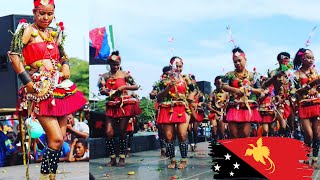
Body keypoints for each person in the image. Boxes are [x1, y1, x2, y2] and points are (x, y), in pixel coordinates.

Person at [7, 0, 87, 178]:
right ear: (34, 12)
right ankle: (44, 176)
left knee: (59, 140)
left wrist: (65, 65)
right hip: (39, 89)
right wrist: (26, 80)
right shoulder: (27, 30)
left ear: (54, 13)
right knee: (56, 138)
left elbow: (63, 55)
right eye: (41, 13)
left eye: (49, 14)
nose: (45, 17)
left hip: (58, 88)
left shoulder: (53, 33)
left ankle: (51, 176)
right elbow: (13, 54)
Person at [98, 50, 141, 167]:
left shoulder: (125, 74)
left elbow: (136, 86)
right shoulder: (104, 76)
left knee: (122, 131)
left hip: (124, 104)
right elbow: (101, 90)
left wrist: (124, 87)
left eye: (117, 64)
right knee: (108, 132)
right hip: (112, 104)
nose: (115, 66)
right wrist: (104, 91)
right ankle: (112, 158)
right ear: (109, 64)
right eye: (113, 64)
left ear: (120, 63)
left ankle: (122, 157)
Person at [156, 56, 193, 169]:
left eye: (180, 66)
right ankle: (172, 160)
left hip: (182, 108)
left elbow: (194, 90)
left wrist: (190, 97)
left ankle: (183, 159)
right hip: (167, 108)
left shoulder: (186, 78)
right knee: (169, 136)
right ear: (171, 66)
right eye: (175, 66)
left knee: (182, 134)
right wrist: (168, 88)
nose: (178, 68)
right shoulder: (164, 80)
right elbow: (158, 97)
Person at [220, 47, 262, 138]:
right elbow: (223, 86)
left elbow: (260, 90)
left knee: (245, 133)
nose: (237, 63)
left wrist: (250, 89)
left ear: (245, 59)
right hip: (233, 107)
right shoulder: (229, 74)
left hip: (247, 107)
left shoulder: (253, 75)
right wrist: (235, 90)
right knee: (234, 135)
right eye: (235, 62)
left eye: (239, 60)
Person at [293, 48, 320, 168]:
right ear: (301, 58)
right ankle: (305, 158)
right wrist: (309, 86)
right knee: (308, 134)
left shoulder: (316, 72)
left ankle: (314, 159)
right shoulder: (295, 75)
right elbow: (294, 92)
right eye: (308, 57)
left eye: (312, 58)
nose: (310, 60)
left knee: (317, 134)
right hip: (304, 106)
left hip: (317, 105)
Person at [262, 52, 295, 137]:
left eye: (287, 60)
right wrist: (276, 76)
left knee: (292, 125)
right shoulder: (274, 72)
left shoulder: (292, 73)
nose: (285, 62)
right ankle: (281, 140)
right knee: (282, 126)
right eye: (283, 60)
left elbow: (296, 87)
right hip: (279, 101)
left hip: (291, 101)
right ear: (279, 61)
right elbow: (265, 85)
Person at [150, 65, 172, 158]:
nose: (169, 74)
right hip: (161, 107)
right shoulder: (159, 83)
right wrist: (152, 94)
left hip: (172, 107)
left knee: (170, 130)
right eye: (168, 73)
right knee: (161, 129)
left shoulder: (175, 82)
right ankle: (163, 148)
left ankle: (169, 148)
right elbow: (153, 94)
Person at [207, 76, 229, 142]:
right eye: (218, 83)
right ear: (215, 84)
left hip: (222, 114)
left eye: (221, 83)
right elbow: (208, 106)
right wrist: (216, 111)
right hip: (214, 114)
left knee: (222, 133)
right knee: (214, 131)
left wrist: (225, 112)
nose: (220, 85)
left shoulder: (226, 93)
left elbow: (228, 104)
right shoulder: (212, 94)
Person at [187, 75, 204, 151]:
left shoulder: (198, 91)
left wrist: (199, 104)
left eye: (193, 80)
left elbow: (201, 100)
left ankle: (196, 142)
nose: (192, 81)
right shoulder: (186, 90)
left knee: (195, 128)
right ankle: (191, 143)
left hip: (195, 110)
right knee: (189, 129)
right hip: (188, 109)